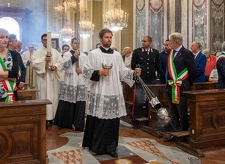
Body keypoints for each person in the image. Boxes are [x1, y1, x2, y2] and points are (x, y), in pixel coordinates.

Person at [82, 28, 141, 158]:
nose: (109, 39)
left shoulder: (116, 55)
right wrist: (99, 72)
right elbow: (85, 72)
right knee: (99, 120)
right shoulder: (93, 54)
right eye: (106, 37)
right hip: (100, 91)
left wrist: (133, 73)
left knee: (113, 122)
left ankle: (111, 147)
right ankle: (97, 147)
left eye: (110, 37)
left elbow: (122, 71)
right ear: (101, 39)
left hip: (113, 91)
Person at [164, 33, 197, 142]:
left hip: (181, 88)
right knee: (173, 112)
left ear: (177, 42)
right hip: (170, 87)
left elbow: (192, 71)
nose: (168, 43)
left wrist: (187, 84)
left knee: (181, 112)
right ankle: (175, 132)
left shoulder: (186, 53)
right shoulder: (171, 53)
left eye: (170, 41)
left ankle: (182, 133)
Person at [54, 37, 87, 131]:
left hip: (80, 80)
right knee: (68, 101)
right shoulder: (67, 54)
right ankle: (66, 123)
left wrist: (82, 70)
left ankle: (78, 124)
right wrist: (74, 57)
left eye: (78, 43)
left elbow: (87, 67)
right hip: (70, 80)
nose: (77, 45)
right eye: (75, 43)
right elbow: (64, 66)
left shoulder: (84, 55)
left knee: (80, 102)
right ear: (72, 44)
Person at [32, 33, 63, 127]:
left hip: (52, 78)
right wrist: (44, 60)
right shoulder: (37, 52)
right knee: (43, 96)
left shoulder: (55, 52)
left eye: (48, 40)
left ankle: (52, 118)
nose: (46, 41)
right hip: (43, 78)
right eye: (44, 40)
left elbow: (60, 62)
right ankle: (43, 118)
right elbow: (34, 64)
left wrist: (56, 66)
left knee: (53, 97)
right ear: (41, 41)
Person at [130, 35, 160, 129]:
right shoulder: (137, 51)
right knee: (139, 101)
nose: (143, 42)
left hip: (151, 80)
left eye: (145, 41)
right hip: (140, 80)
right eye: (142, 41)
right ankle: (136, 121)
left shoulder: (155, 52)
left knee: (151, 100)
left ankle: (150, 120)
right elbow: (133, 65)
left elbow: (156, 65)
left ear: (150, 42)